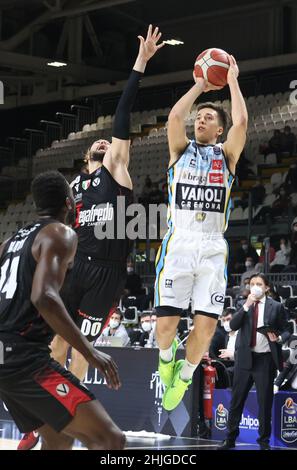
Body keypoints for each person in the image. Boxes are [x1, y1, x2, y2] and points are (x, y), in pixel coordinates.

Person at [18, 24, 164, 450]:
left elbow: (121, 117)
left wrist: (139, 65)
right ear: (85, 157)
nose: (104, 142)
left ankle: (69, 419)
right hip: (74, 266)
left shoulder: (116, 168)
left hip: (108, 271)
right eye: (96, 145)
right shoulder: (72, 187)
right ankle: (46, 419)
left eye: (108, 142)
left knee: (81, 348)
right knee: (56, 341)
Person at [0, 171, 125, 450]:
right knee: (111, 440)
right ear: (70, 204)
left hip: (4, 356)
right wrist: (89, 351)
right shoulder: (61, 233)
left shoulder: (9, 243)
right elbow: (43, 297)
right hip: (24, 358)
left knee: (59, 440)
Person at [154, 55, 248, 411]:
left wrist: (233, 81)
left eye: (209, 117)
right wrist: (200, 84)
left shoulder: (226, 157)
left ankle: (186, 373)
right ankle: (166, 359)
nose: (201, 119)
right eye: (200, 116)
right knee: (165, 328)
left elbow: (241, 119)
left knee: (206, 329)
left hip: (211, 247)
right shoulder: (179, 150)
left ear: (219, 130)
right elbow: (175, 117)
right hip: (179, 243)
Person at [217, 273, 290, 450]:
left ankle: (263, 442)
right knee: (236, 401)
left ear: (266, 288)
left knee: (264, 403)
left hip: (265, 359)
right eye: (252, 284)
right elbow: (233, 326)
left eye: (259, 284)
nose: (255, 286)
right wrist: (247, 306)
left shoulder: (276, 306)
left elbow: (286, 329)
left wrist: (279, 337)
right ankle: (230, 438)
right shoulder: (243, 304)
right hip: (244, 359)